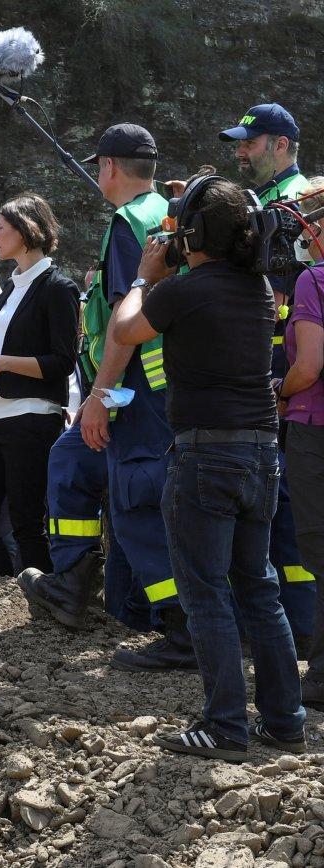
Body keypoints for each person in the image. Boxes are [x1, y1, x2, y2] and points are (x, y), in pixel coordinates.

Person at [113, 174, 305, 760]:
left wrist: (148, 275)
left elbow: (123, 329)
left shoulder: (183, 290)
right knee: (259, 589)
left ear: (193, 234)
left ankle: (225, 725)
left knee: (206, 593)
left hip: (204, 456)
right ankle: (284, 720)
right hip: (260, 452)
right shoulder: (257, 288)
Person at [20, 124, 192, 671]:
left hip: (136, 393)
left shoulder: (128, 224)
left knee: (138, 505)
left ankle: (182, 628)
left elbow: (125, 321)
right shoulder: (163, 215)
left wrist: (98, 396)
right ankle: (73, 582)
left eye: (100, 166)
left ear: (111, 168)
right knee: (72, 460)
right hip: (149, 391)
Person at [220, 104, 316, 648]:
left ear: (280, 144)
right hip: (275, 366)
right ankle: (287, 626)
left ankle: (298, 628)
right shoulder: (268, 203)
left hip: (289, 373)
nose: (240, 152)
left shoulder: (300, 202)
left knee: (289, 504)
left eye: (249, 143)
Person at [0, 195, 78, 576]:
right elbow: (2, 357)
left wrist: (2, 364)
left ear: (26, 229)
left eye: (0, 229)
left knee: (28, 522)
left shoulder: (59, 287)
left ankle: (41, 605)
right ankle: (4, 595)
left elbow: (62, 362)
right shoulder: (10, 287)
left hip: (32, 418)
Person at [278, 177, 324, 710]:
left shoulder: (314, 280)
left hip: (314, 429)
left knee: (318, 548)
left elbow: (308, 366)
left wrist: (277, 388)